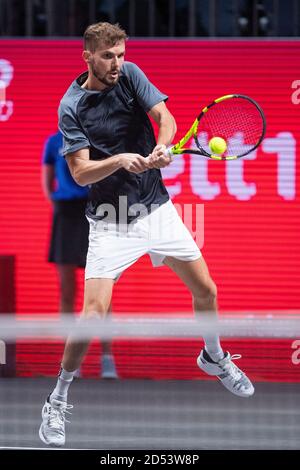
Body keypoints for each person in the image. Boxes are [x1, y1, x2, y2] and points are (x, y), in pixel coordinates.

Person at [39, 22, 254, 447]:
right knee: (92, 316)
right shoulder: (72, 105)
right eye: (107, 56)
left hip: (157, 211)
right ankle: (57, 399)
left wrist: (162, 146)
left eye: (120, 54)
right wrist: (119, 159)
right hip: (109, 220)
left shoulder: (132, 75)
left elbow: (165, 118)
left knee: (207, 290)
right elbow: (81, 172)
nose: (116, 63)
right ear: (88, 57)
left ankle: (214, 356)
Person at [41, 129, 118, 379]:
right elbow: (47, 181)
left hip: (94, 212)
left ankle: (107, 359)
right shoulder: (53, 142)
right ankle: (71, 362)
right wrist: (61, 206)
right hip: (65, 214)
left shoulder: (97, 138)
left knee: (101, 292)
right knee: (67, 291)